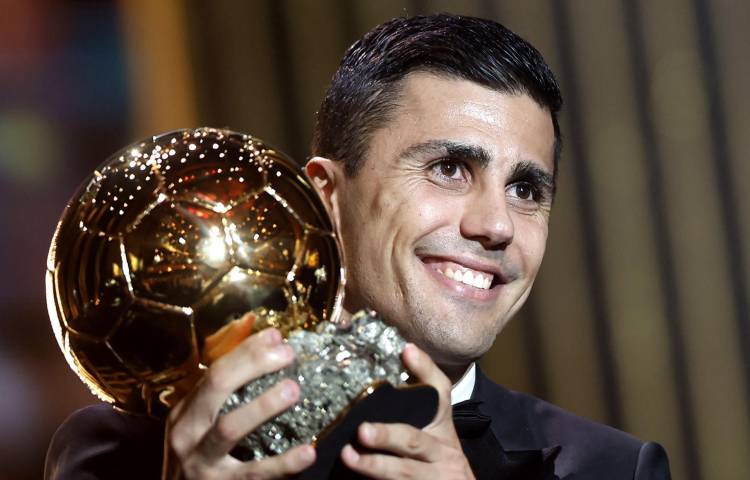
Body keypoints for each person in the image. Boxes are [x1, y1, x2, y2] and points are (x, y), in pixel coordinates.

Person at [45, 14, 671, 480]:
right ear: (324, 196)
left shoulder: (610, 468)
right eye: (450, 169)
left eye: (527, 189)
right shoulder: (123, 449)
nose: (497, 224)